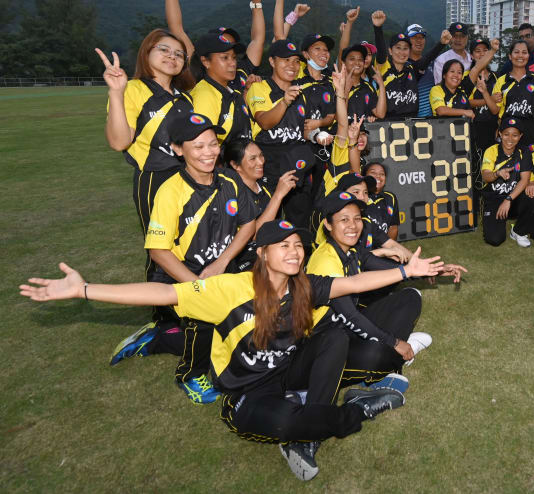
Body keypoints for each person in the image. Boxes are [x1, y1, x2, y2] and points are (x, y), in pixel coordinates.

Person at [20, 220, 449, 481]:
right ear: (262, 254)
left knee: (334, 338)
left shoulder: (304, 285)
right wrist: (87, 289)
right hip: (248, 392)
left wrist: (405, 269)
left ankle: (312, 423)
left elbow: (352, 285)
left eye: (297, 245)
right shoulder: (230, 290)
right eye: (283, 246)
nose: (294, 251)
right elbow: (164, 292)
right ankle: (358, 409)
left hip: (289, 371)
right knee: (285, 423)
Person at [124, 113, 257, 404]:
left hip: (222, 268)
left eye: (213, 144)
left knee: (237, 324)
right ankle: (189, 375)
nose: (209, 153)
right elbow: (158, 250)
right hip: (186, 271)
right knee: (203, 324)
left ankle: (161, 338)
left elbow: (248, 224)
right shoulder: (170, 191)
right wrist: (197, 287)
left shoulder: (230, 179)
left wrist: (222, 262)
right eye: (198, 146)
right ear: (177, 149)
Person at [307, 193, 460, 392]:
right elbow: (350, 316)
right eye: (344, 220)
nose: (353, 226)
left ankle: (390, 360)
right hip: (326, 343)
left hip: (345, 327)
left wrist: (434, 271)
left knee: (410, 298)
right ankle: (389, 365)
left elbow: (386, 269)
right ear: (328, 225)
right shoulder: (326, 261)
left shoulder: (349, 249)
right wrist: (394, 342)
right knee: (375, 353)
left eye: (356, 218)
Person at [98, 30, 193, 238]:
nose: (172, 56)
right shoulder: (133, 89)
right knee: (163, 250)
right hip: (156, 179)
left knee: (193, 243)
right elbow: (118, 142)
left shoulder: (185, 98)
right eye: (164, 49)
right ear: (146, 52)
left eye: (179, 54)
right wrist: (116, 92)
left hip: (191, 177)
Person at [245, 40, 333, 231]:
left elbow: (303, 130)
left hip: (297, 161)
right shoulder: (259, 88)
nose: (292, 66)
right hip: (268, 161)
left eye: (295, 61)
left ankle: (301, 255)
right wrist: (284, 101)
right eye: (285, 60)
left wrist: (317, 136)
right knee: (268, 217)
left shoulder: (301, 93)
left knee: (299, 217)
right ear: (272, 61)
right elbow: (264, 122)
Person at [161, 0, 265, 92]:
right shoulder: (200, 75)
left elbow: (258, 39)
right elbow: (177, 29)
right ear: (207, 59)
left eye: (232, 47)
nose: (230, 50)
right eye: (224, 50)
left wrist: (256, 3)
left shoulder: (242, 71)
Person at [223, 139, 299, 271]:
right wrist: (278, 195)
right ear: (235, 165)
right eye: (253, 159)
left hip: (269, 256)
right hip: (245, 264)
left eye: (261, 155)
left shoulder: (265, 190)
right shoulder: (231, 195)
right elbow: (253, 235)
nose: (261, 162)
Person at [371, 10, 449, 119]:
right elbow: (381, 52)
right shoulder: (384, 67)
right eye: (398, 48)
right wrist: (378, 28)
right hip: (388, 123)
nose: (402, 52)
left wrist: (441, 44)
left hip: (412, 124)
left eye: (405, 48)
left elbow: (425, 61)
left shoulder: (411, 69)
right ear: (390, 51)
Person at [187, 33, 254, 145]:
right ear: (206, 62)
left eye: (234, 57)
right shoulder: (204, 95)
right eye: (225, 57)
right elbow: (203, 145)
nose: (233, 63)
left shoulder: (233, 92)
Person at [480, 117, 533, 247]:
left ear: (520, 136)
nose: (510, 139)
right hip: (494, 197)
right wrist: (497, 173)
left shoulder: (525, 152)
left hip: (512, 197)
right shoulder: (491, 151)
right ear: (500, 134)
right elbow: (486, 176)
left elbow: (525, 179)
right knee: (494, 239)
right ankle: (495, 219)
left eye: (515, 135)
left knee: (531, 196)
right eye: (506, 134)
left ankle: (518, 231)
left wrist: (508, 199)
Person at [489, 40, 534, 149]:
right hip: (508, 136)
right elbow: (495, 110)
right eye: (516, 52)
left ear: (528, 56)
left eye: (524, 52)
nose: (520, 55)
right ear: (510, 56)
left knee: (528, 165)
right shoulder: (501, 81)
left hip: (530, 136)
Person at [465, 37, 501, 158]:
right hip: (475, 126)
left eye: (485, 50)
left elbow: (499, 104)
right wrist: (489, 99)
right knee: (476, 162)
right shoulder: (467, 76)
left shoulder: (497, 77)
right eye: (477, 51)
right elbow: (467, 102)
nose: (482, 54)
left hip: (494, 125)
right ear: (471, 55)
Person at [341, 42, 387, 121]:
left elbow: (381, 114)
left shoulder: (368, 87)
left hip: (364, 132)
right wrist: (346, 90)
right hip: (342, 132)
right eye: (352, 59)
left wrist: (381, 85)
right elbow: (339, 118)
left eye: (360, 59)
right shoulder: (335, 85)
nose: (357, 63)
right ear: (344, 63)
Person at [363, 161, 400, 240]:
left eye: (382, 174)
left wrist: (389, 250)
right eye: (373, 173)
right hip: (363, 249)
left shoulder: (390, 197)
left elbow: (393, 227)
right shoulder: (360, 197)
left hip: (384, 247)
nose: (378, 176)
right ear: (364, 176)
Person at [430, 23, 472, 90]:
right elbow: (439, 86)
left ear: (467, 38)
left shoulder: (472, 59)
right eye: (454, 36)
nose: (458, 40)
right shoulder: (441, 60)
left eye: (462, 36)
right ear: (449, 38)